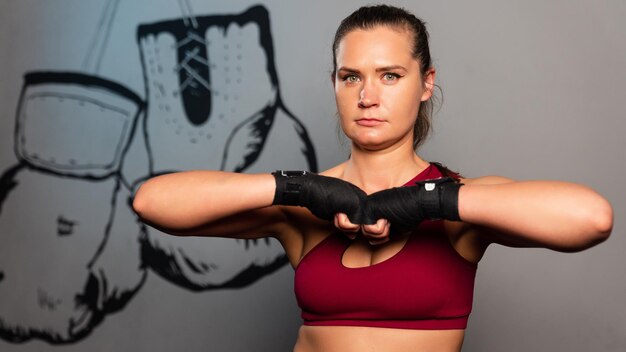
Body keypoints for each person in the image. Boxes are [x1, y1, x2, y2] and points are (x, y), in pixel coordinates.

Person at [132, 5, 613, 352]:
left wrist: (431, 201)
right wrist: (296, 187)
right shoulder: (303, 211)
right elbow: (152, 202)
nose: (367, 96)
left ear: (426, 83)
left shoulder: (459, 204)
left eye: (390, 76)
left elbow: (591, 218)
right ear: (335, 84)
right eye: (350, 76)